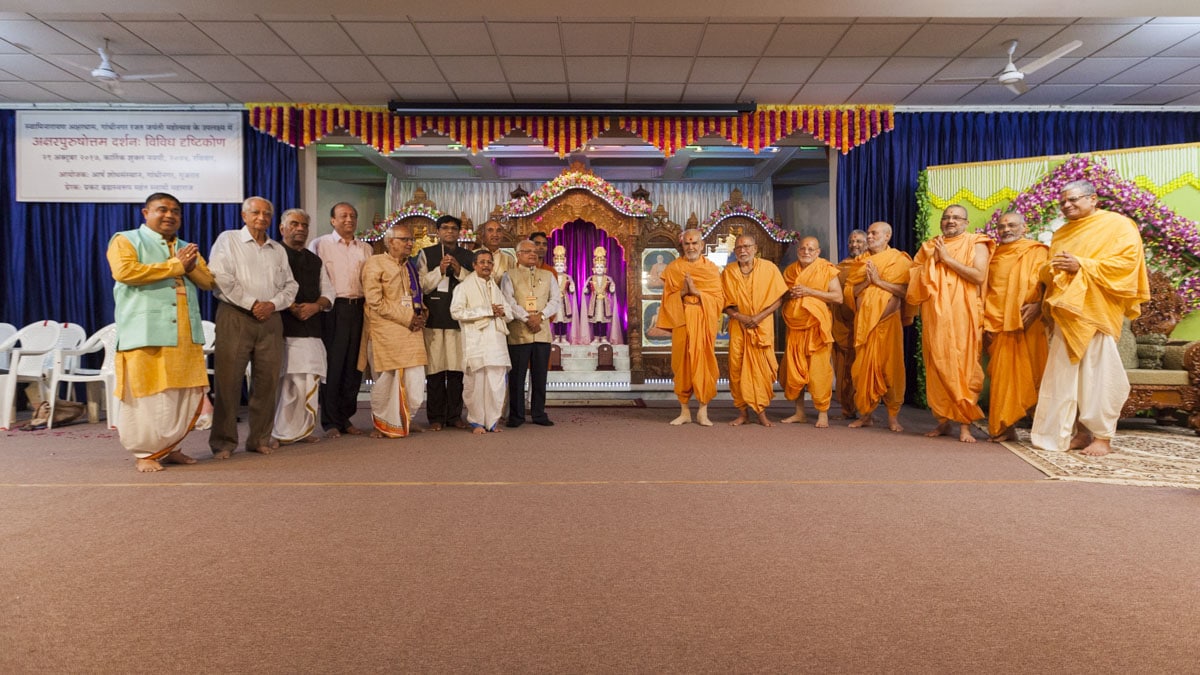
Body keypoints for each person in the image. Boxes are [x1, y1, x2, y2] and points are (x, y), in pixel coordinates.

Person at [1031, 180, 1150, 457]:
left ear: (1093, 198)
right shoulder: (1061, 233)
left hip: (1096, 312)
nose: (1067, 205)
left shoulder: (1118, 225)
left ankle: (1102, 437)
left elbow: (1126, 264)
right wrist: (1052, 270)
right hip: (1066, 313)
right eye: (1063, 202)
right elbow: (1049, 272)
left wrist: (1081, 264)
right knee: (1063, 379)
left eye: (1073, 200)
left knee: (1099, 377)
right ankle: (1079, 433)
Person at [107, 192, 215, 472]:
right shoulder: (126, 240)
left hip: (184, 332)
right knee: (146, 395)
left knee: (181, 393)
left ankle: (172, 447)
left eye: (175, 211)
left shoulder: (185, 247)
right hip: (145, 331)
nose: (170, 215)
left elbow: (207, 281)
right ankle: (145, 452)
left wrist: (188, 266)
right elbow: (125, 272)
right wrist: (177, 266)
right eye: (162, 209)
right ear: (146, 213)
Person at [208, 196, 299, 458]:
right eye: (255, 212)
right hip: (235, 316)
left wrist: (271, 304)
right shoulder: (228, 240)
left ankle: (259, 438)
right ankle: (223, 443)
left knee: (267, 381)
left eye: (266, 213)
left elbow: (291, 286)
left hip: (271, 318)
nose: (261, 217)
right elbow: (221, 278)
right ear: (244, 216)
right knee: (228, 382)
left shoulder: (277, 249)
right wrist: (252, 304)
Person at [906, 204, 994, 443]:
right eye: (946, 217)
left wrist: (945, 260)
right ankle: (943, 421)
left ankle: (965, 424)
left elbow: (978, 276)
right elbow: (913, 281)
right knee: (937, 366)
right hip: (935, 317)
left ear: (966, 222)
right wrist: (930, 262)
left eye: (956, 217)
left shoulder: (977, 243)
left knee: (963, 368)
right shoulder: (929, 246)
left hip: (964, 316)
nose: (950, 221)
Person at [308, 202, 373, 438]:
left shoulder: (365, 248)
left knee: (354, 367)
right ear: (332, 220)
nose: (349, 220)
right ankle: (330, 421)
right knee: (333, 367)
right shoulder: (320, 244)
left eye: (353, 216)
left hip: (359, 310)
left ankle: (346, 417)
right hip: (332, 311)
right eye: (343, 216)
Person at [984, 211, 1049, 442]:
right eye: (1001, 226)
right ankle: (1005, 426)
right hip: (997, 322)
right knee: (1003, 377)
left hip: (1028, 322)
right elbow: (987, 290)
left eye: (1012, 225)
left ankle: (1044, 430)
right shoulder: (992, 254)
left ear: (1024, 228)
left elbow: (1050, 286)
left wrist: (1040, 306)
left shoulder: (1037, 251)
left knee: (1033, 375)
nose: (1006, 230)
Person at [272, 208, 333, 446]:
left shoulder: (314, 259)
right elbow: (269, 288)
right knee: (284, 383)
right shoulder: (273, 255)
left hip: (312, 329)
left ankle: (301, 430)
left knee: (307, 380)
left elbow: (328, 291)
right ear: (282, 228)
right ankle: (278, 432)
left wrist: (316, 306)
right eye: (295, 224)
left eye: (304, 225)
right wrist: (292, 307)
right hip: (282, 328)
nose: (300, 229)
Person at [360, 224, 428, 438]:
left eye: (411, 240)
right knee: (386, 380)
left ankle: (405, 417)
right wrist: (408, 317)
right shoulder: (375, 263)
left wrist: (422, 314)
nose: (410, 243)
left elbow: (416, 296)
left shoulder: (410, 266)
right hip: (385, 331)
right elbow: (375, 301)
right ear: (391, 242)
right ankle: (383, 423)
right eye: (405, 239)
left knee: (416, 381)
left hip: (411, 331)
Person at [845, 221, 912, 433]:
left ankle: (893, 417)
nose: (870, 236)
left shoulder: (899, 260)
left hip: (888, 324)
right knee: (862, 371)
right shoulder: (861, 262)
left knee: (891, 370)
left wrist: (879, 281)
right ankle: (866, 415)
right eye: (869, 233)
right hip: (864, 326)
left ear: (887, 236)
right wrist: (867, 282)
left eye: (874, 233)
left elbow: (905, 293)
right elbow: (850, 292)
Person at [656, 228, 725, 426]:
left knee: (703, 361)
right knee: (682, 363)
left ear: (702, 245)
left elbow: (719, 300)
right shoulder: (674, 268)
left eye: (695, 243)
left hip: (703, 318)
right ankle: (684, 410)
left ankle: (703, 410)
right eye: (687, 243)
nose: (691, 246)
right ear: (683, 245)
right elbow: (667, 299)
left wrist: (697, 292)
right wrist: (683, 292)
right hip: (682, 319)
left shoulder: (711, 269)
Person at [721, 234, 787, 427]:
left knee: (761, 370)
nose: (743, 250)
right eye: (739, 247)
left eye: (747, 246)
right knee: (737, 368)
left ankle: (761, 412)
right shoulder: (729, 271)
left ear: (755, 248)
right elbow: (724, 303)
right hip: (738, 326)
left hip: (762, 324)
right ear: (734, 252)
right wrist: (740, 317)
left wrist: (758, 317)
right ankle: (743, 413)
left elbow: (779, 298)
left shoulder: (769, 268)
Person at [417, 215, 474, 431]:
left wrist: (459, 269)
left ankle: (454, 416)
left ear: (459, 232)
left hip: (457, 321)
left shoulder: (468, 255)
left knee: (456, 371)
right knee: (435, 371)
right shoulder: (427, 254)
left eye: (453, 228)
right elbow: (421, 285)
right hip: (434, 319)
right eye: (445, 228)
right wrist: (439, 270)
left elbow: (473, 285)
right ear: (438, 231)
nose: (449, 232)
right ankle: (435, 417)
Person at [779, 236, 843, 429]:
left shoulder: (826, 269)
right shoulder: (790, 271)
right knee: (794, 371)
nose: (806, 251)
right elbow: (784, 295)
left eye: (810, 249)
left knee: (819, 372)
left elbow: (838, 297)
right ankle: (799, 412)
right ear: (798, 250)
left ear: (818, 252)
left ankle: (822, 413)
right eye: (803, 248)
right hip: (795, 328)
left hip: (817, 330)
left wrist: (809, 291)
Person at [501, 239, 562, 427]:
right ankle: (517, 416)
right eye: (527, 251)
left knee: (540, 375)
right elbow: (508, 301)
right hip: (519, 332)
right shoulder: (509, 275)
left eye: (535, 251)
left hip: (542, 332)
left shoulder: (548, 275)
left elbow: (556, 300)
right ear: (518, 255)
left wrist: (541, 316)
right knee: (517, 377)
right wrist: (527, 318)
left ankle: (538, 413)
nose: (533, 254)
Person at [450, 249, 512, 434]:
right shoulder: (463, 287)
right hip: (476, 341)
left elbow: (508, 312)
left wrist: (503, 313)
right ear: (474, 265)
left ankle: (492, 421)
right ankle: (476, 421)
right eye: (482, 262)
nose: (486, 265)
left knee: (497, 382)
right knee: (476, 383)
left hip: (496, 341)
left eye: (489, 262)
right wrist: (486, 310)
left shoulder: (495, 286)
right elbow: (456, 312)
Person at [832, 229, 867, 418]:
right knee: (842, 367)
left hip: (865, 324)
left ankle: (865, 410)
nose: (854, 245)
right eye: (851, 241)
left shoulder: (873, 265)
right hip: (842, 324)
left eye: (859, 241)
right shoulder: (839, 268)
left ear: (867, 243)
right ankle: (847, 409)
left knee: (864, 368)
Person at [585, 246, 617, 344]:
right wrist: (586, 290)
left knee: (604, 321)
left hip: (604, 303)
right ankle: (595, 338)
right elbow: (586, 291)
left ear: (605, 269)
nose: (599, 269)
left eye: (601, 267)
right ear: (594, 268)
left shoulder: (608, 279)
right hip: (594, 302)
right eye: (597, 267)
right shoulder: (591, 279)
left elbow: (612, 290)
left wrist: (612, 288)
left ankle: (603, 337)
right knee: (595, 321)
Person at [550, 244, 575, 344]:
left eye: (561, 265)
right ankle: (556, 337)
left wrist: (572, 288)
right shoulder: (551, 277)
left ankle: (563, 337)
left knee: (564, 321)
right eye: (557, 265)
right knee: (556, 320)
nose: (559, 267)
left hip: (564, 301)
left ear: (564, 267)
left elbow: (571, 289)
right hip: (555, 301)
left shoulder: (568, 277)